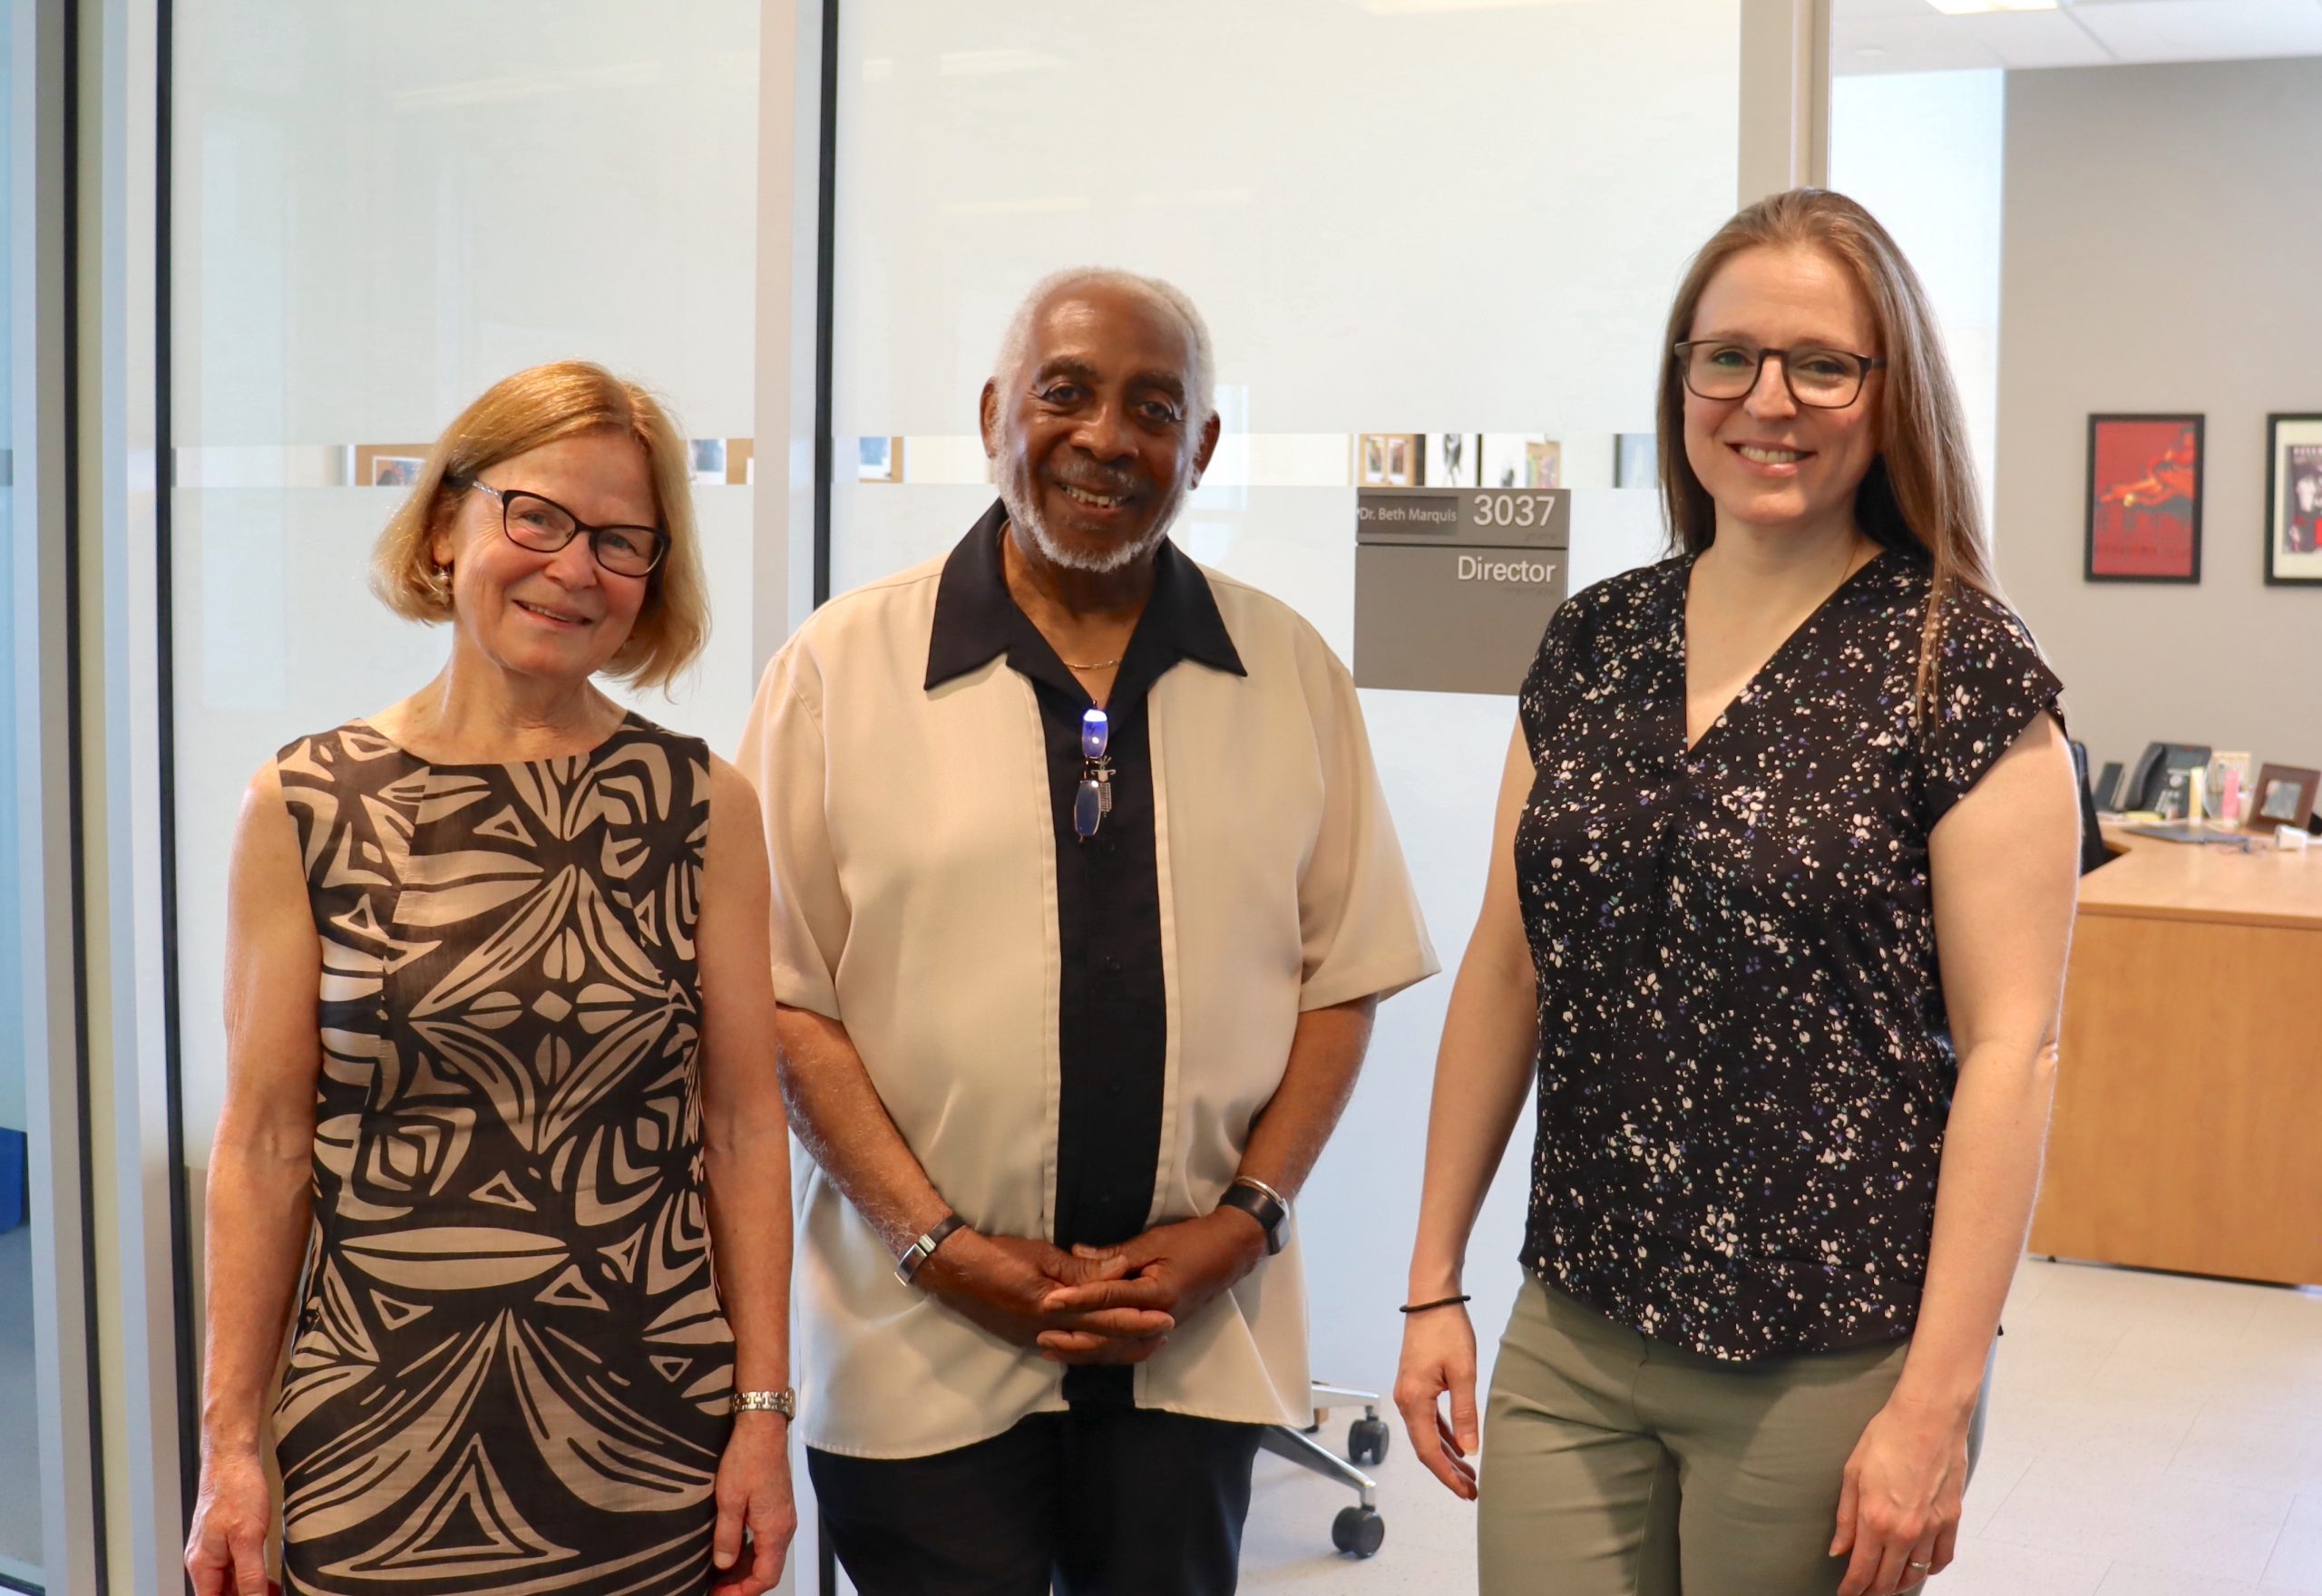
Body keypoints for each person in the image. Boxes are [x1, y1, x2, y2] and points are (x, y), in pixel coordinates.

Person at [1394, 189, 2081, 1596]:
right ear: (1683, 380)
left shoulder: (1961, 665)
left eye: (1823, 363)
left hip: (1827, 1354)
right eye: (1730, 358)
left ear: (1889, 396)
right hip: (1576, 1323)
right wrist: (1430, 1277)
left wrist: (1936, 1405)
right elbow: (1508, 969)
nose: (1770, 400)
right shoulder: (1593, 642)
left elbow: (2014, 1051)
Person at [740, 268, 1437, 1595]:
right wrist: (936, 1245)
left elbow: (1340, 982)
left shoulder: (1285, 671)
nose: (1107, 438)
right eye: (1065, 393)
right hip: (915, 1333)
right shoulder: (840, 672)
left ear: (1203, 450)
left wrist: (1243, 1225)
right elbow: (782, 1001)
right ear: (998, 413)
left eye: (1154, 408)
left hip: (1193, 1337)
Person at [184, 361, 796, 1596]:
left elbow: (740, 1127)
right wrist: (229, 1445)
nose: (576, 569)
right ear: (449, 516)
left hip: (645, 1432)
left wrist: (765, 1414)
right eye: (539, 516)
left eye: (624, 542)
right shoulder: (305, 804)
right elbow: (263, 1146)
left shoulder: (702, 806)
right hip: (369, 1430)